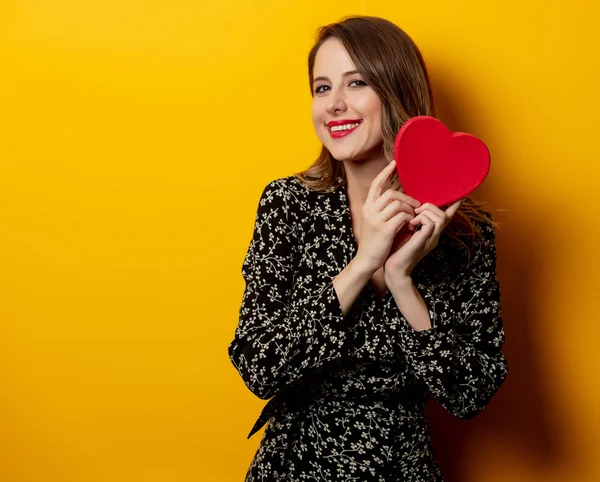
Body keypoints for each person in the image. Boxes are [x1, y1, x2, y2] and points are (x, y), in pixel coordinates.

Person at [227, 15, 508, 481]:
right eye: (321, 88)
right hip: (295, 466)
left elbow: (471, 393)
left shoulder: (463, 234)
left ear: (396, 91)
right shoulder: (289, 205)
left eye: (355, 83)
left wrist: (401, 280)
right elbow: (258, 364)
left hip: (402, 469)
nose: (334, 105)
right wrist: (363, 264)